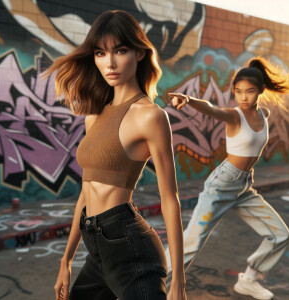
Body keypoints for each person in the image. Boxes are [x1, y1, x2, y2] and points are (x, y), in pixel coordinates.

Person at [45, 10, 186, 300]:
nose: (109, 63)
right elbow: (85, 194)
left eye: (120, 51)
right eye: (100, 53)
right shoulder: (94, 116)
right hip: (96, 249)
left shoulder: (151, 117)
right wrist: (65, 260)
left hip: (130, 247)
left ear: (139, 53)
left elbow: (170, 198)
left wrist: (178, 282)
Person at [167, 57, 289, 300]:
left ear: (260, 91)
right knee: (190, 244)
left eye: (249, 92)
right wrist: (190, 100)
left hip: (244, 188)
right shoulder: (235, 116)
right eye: (238, 92)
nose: (243, 97)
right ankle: (148, 286)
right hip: (221, 185)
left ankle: (248, 280)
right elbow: (212, 108)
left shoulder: (264, 114)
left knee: (280, 235)